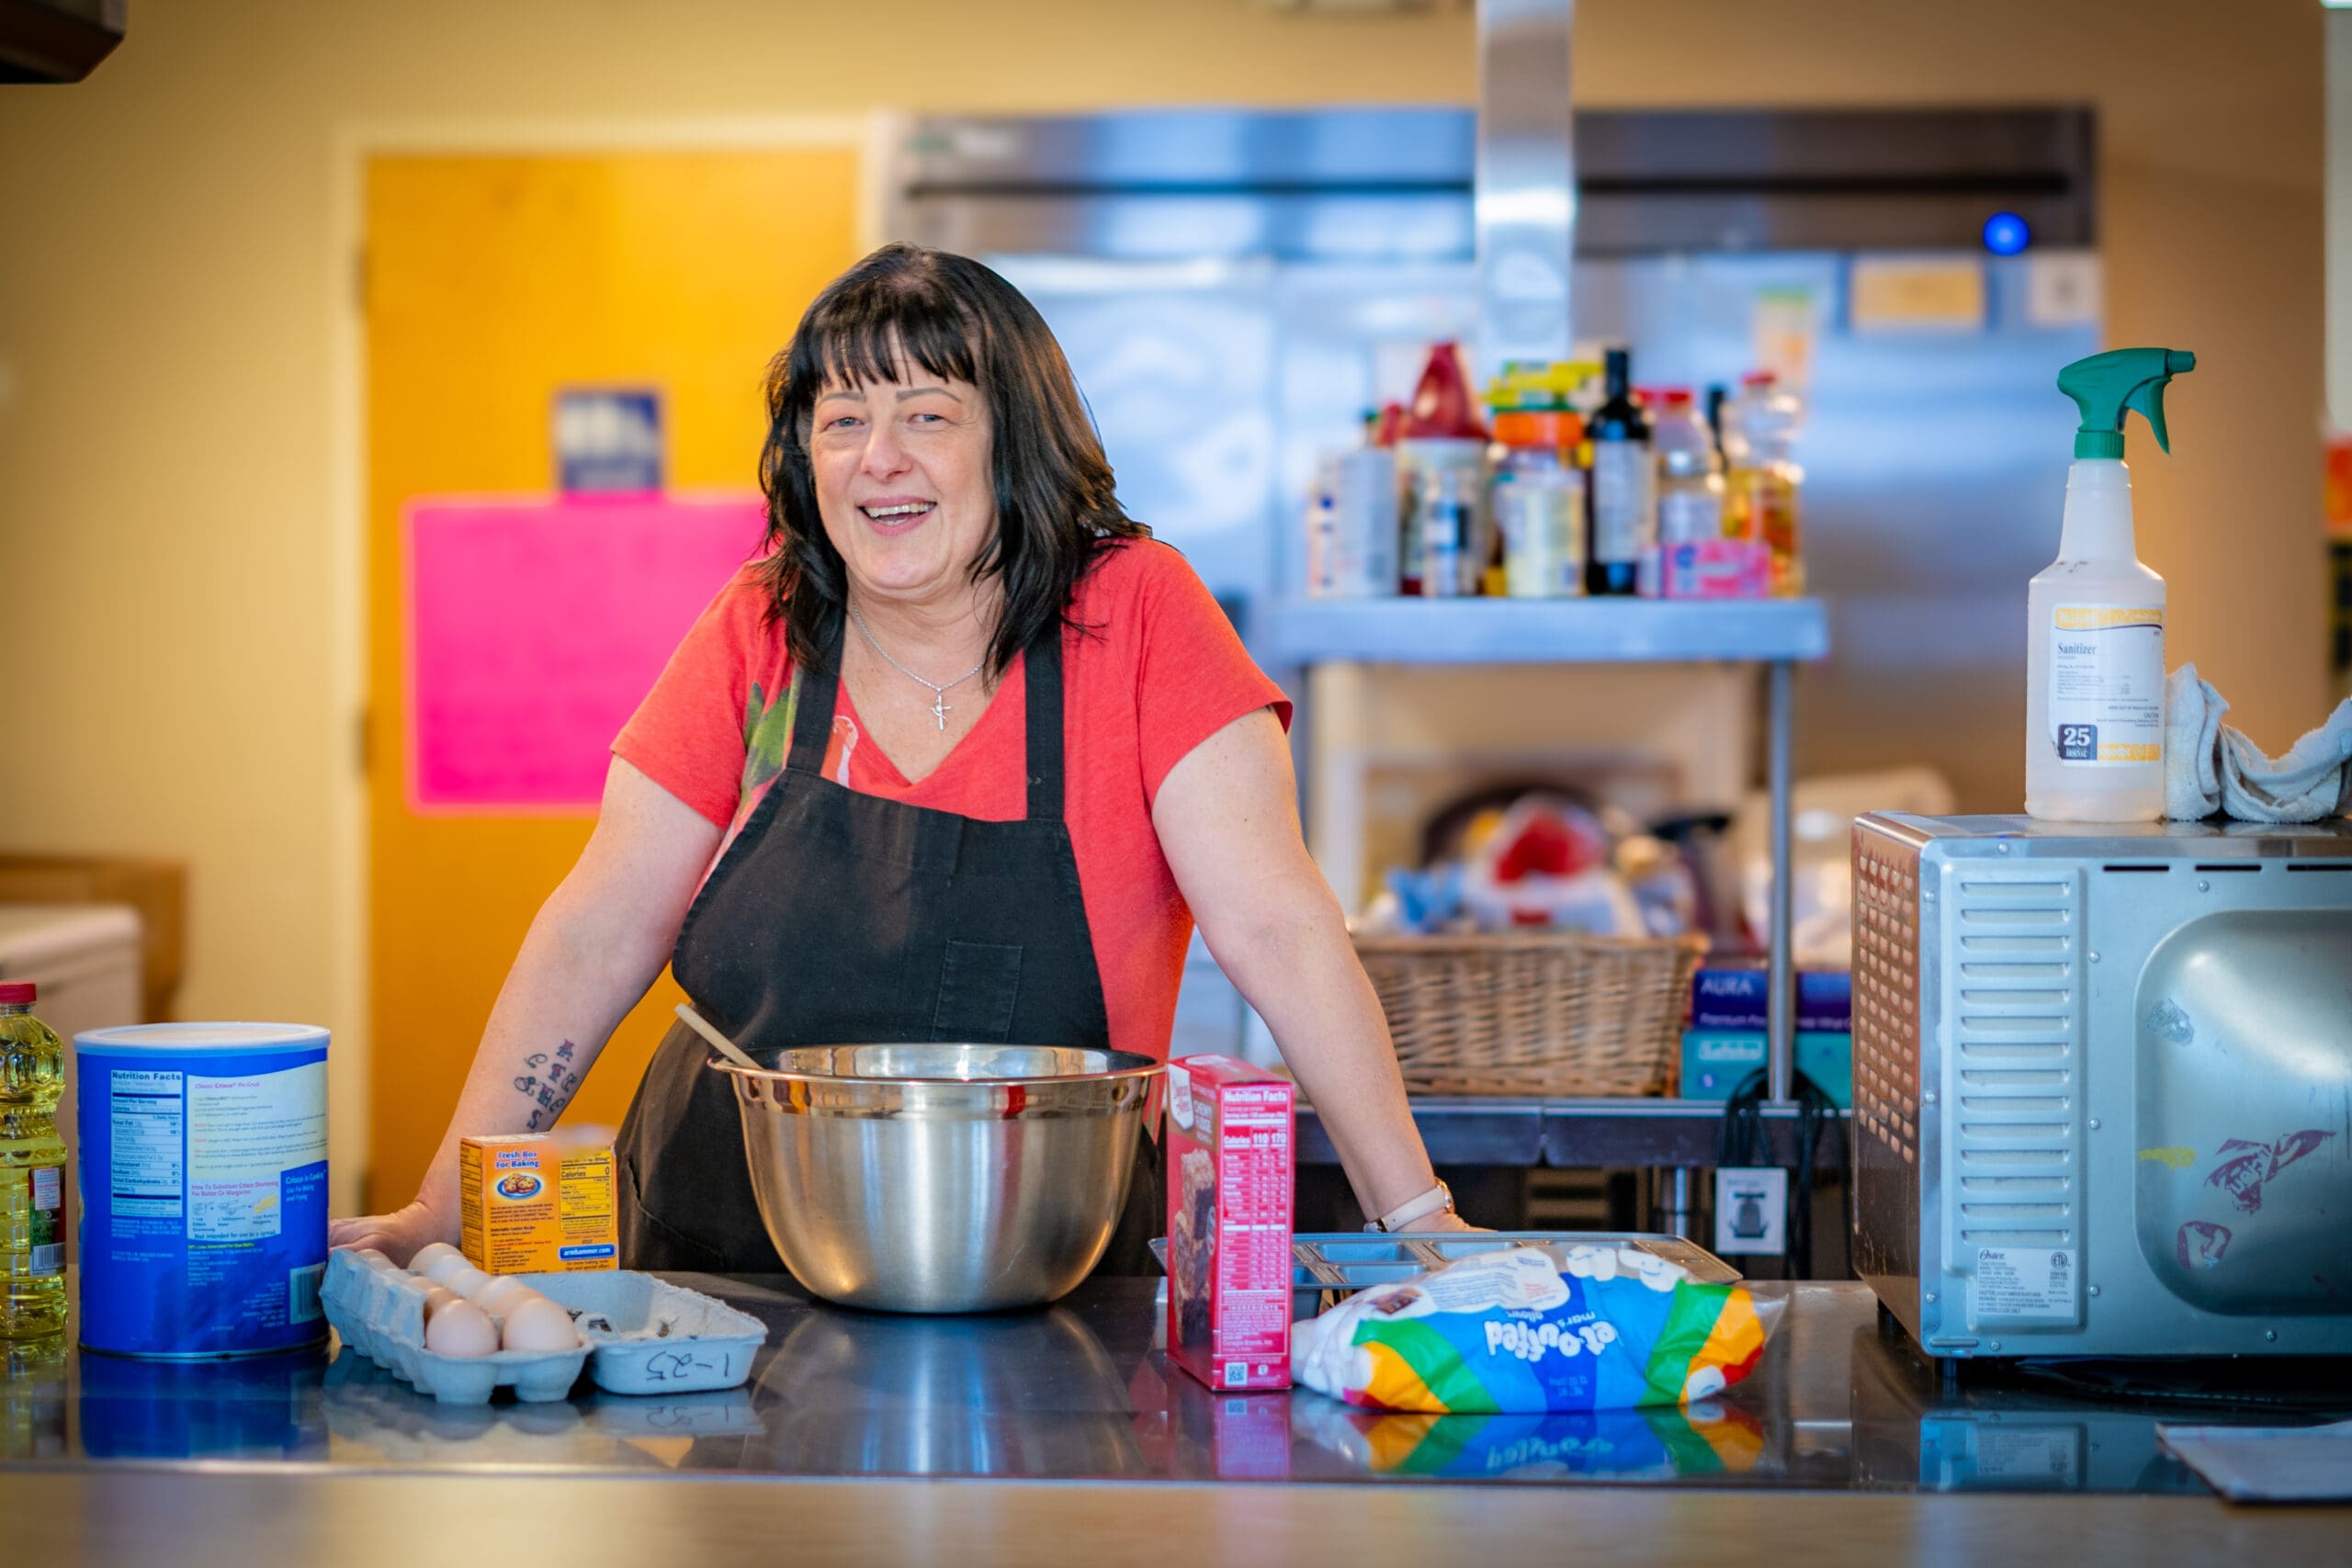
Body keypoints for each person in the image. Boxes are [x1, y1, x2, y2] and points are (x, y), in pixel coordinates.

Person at [333, 243, 1467, 1273]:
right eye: (840, 422)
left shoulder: (1137, 613)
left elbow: (1275, 923)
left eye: (927, 416)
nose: (878, 459)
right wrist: (448, 1205)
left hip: (1044, 1248)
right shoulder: (761, 626)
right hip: (728, 1249)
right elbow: (599, 922)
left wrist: (1417, 1217)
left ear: (1013, 439)